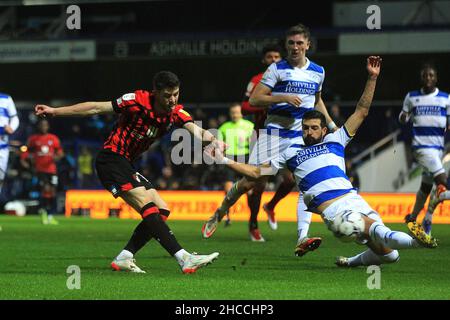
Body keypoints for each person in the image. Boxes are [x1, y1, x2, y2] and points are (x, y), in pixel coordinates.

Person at [206, 56, 438, 267]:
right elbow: (256, 173)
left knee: (390, 256)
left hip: (353, 198)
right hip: (335, 211)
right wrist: (224, 159)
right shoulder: (290, 153)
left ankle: (349, 262)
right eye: (305, 128)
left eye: (314, 128)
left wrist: (372, 78)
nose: (308, 132)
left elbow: (362, 110)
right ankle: (420, 242)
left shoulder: (336, 139)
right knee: (379, 232)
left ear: (323, 129)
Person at [35, 71, 222, 274]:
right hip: (111, 159)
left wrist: (213, 140)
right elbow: (96, 107)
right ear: (156, 93)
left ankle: (125, 256)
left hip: (126, 164)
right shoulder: (136, 101)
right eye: (167, 95)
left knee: (161, 210)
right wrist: (55, 111)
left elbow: (195, 130)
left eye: (176, 94)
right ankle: (183, 258)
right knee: (148, 206)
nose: (172, 99)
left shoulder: (176, 113)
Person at [202, 23, 337, 255]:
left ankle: (302, 237)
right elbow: (254, 100)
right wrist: (282, 96)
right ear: (287, 45)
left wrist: (332, 124)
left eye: (299, 43)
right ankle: (220, 211)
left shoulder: (318, 71)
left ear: (308, 45)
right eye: (291, 43)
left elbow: (317, 100)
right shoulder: (276, 69)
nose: (295, 47)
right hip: (272, 134)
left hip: (298, 137)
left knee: (303, 183)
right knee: (251, 182)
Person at [241, 43, 297, 235]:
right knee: (259, 184)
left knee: (290, 181)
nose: (273, 60)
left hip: (286, 135)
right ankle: (253, 223)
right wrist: (269, 104)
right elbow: (245, 107)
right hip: (263, 137)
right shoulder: (257, 80)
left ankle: (271, 206)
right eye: (269, 57)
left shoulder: (288, 79)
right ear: (264, 60)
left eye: (276, 57)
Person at [400, 64, 450, 235]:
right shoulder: (412, 97)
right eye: (425, 75)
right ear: (422, 78)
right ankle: (432, 209)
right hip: (421, 147)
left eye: (431, 75)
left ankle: (415, 218)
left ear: (436, 78)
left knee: (426, 187)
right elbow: (403, 116)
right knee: (442, 181)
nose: (428, 78)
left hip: (437, 150)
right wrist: (404, 117)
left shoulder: (445, 98)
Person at [217, 103, 254, 228]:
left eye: (237, 112)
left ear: (241, 113)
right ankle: (227, 216)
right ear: (230, 113)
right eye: (233, 112)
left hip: (245, 158)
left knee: (250, 191)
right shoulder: (223, 127)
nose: (235, 114)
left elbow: (255, 144)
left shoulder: (250, 126)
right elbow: (218, 146)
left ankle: (252, 217)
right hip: (230, 159)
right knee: (228, 189)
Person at [20, 119, 63, 225]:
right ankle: (44, 213)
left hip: (52, 170)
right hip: (40, 169)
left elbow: (60, 152)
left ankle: (50, 215)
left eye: (45, 125)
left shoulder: (53, 138)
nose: (44, 127)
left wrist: (58, 156)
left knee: (52, 191)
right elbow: (26, 151)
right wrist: (23, 160)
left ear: (48, 127)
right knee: (46, 189)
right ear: (38, 126)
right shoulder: (33, 139)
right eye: (42, 125)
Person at [0, 92, 20, 198]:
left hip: (2, 146)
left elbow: (14, 118)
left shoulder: (6, 98)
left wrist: (11, 127)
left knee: (0, 177)